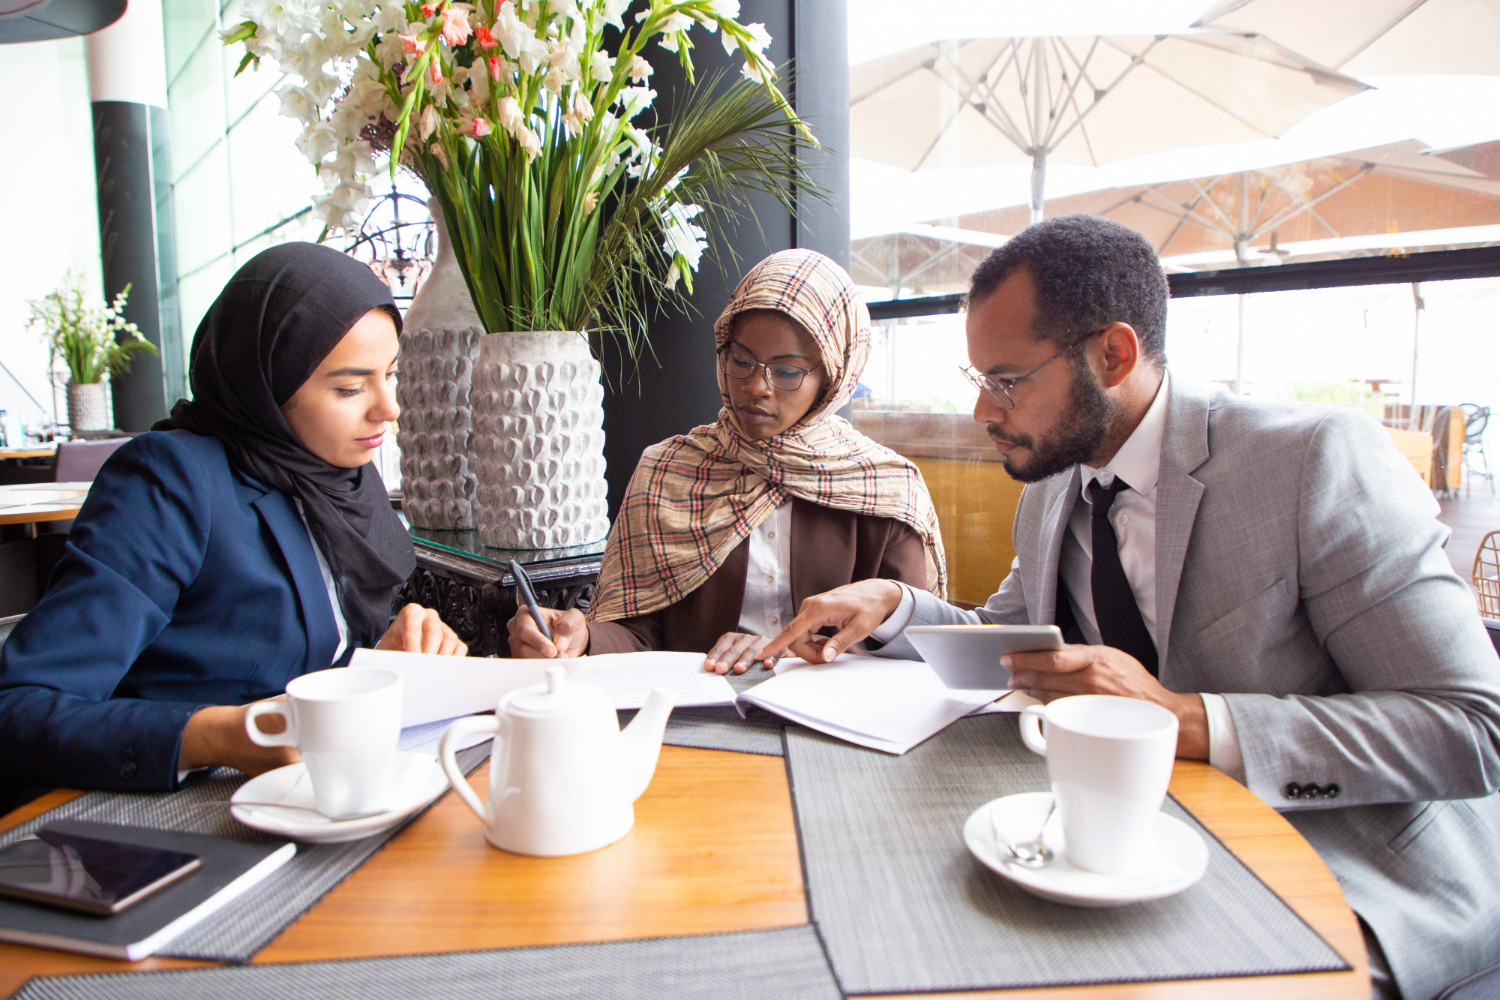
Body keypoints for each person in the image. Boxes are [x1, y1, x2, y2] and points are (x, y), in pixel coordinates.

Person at [762, 216, 1500, 1000]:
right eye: (977, 378)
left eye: (1007, 381)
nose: (983, 410)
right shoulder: (1054, 484)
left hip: (1345, 863)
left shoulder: (1311, 462)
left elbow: (1473, 725)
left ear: (1114, 355)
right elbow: (1014, 640)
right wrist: (896, 604)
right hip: (1134, 837)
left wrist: (1184, 717)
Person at [0, 242, 466, 809]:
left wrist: (380, 662)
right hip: (166, 814)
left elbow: (305, 657)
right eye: (350, 388)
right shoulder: (172, 482)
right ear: (266, 381)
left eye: (391, 375)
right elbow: (19, 707)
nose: (388, 408)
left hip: (316, 806)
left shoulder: (342, 481)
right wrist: (217, 736)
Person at [507, 248, 945, 673]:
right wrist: (582, 640)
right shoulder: (667, 473)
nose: (756, 386)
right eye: (741, 360)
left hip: (836, 733)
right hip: (691, 721)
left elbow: (914, 648)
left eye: (787, 371)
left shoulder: (885, 489)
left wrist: (790, 653)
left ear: (832, 377)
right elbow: (639, 638)